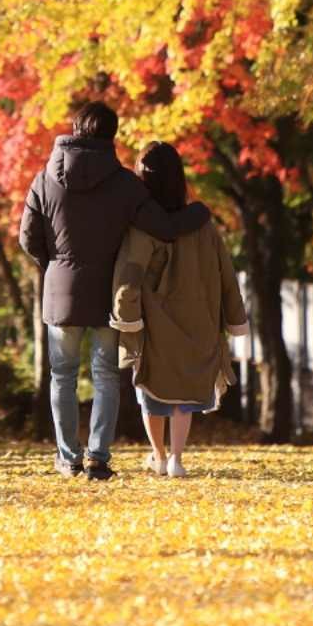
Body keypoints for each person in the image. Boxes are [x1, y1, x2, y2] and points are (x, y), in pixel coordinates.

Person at [20, 102, 209, 481]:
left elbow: (28, 237)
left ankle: (67, 457)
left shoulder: (44, 179)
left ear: (75, 128)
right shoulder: (124, 184)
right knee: (106, 375)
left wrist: (55, 266)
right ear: (111, 134)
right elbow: (165, 227)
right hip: (109, 294)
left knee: (63, 376)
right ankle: (98, 457)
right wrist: (200, 212)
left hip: (60, 294)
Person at [110, 140, 249, 478]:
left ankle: (157, 455)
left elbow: (129, 275)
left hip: (155, 323)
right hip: (197, 320)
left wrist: (125, 317)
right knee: (183, 397)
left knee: (151, 391)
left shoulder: (142, 229)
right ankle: (177, 458)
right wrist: (235, 319)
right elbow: (226, 273)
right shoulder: (203, 226)